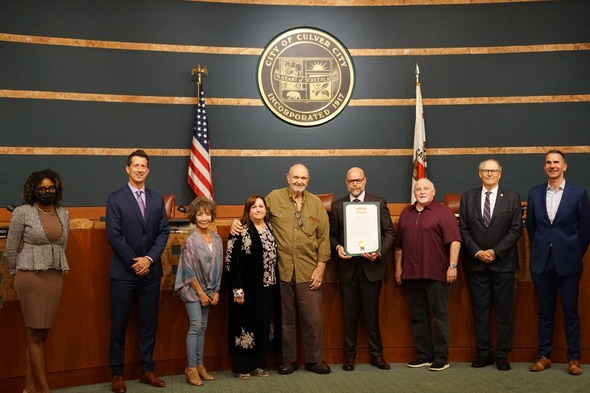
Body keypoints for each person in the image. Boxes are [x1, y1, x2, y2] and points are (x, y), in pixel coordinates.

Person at [230, 163, 331, 375]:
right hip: (281, 270)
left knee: (312, 319)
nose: (299, 181)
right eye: (296, 177)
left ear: (308, 179)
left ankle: (314, 360)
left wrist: (321, 266)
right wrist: (235, 223)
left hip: (308, 270)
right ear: (288, 177)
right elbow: (254, 213)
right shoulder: (273, 198)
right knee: (285, 319)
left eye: (303, 178)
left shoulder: (316, 204)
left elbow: (323, 237)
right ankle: (288, 361)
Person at [106, 149, 170, 393]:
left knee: (148, 324)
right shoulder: (115, 199)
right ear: (127, 168)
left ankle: (147, 370)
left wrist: (149, 259)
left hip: (151, 273)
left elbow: (163, 232)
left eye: (144, 166)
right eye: (136, 165)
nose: (140, 169)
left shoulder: (156, 199)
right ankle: (117, 374)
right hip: (124, 272)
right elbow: (113, 234)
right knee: (119, 325)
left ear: (148, 170)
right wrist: (136, 261)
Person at [526, 150, 590, 376]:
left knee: (571, 312)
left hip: (569, 263)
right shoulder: (534, 193)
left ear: (565, 166)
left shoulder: (579, 193)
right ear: (545, 167)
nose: (552, 166)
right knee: (545, 312)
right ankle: (544, 356)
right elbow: (531, 228)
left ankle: (574, 358)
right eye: (548, 163)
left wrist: (572, 252)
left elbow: (585, 231)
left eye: (556, 162)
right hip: (542, 263)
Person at [5, 169, 69, 393]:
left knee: (42, 334)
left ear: (57, 189)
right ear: (33, 190)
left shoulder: (63, 213)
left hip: (54, 277)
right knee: (34, 334)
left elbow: (61, 245)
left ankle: (29, 389)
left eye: (50, 188)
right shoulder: (23, 212)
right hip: (30, 277)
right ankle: (44, 389)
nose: (47, 192)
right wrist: (16, 275)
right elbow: (11, 249)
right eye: (41, 189)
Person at [329, 167, 395, 371]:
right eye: (351, 181)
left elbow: (389, 233)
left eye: (358, 181)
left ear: (365, 181)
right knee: (349, 316)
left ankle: (377, 355)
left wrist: (379, 251)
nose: (355, 184)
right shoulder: (338, 206)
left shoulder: (379, 202)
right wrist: (338, 247)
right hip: (347, 270)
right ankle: (349, 356)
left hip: (372, 268)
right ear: (346, 182)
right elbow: (332, 235)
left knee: (371, 315)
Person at [459, 159, 522, 371]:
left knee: (504, 311)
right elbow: (464, 229)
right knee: (480, 310)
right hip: (476, 263)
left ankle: (503, 354)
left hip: (503, 263)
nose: (489, 174)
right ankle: (484, 353)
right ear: (479, 173)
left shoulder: (512, 197)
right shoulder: (467, 197)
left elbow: (515, 230)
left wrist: (495, 252)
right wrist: (477, 252)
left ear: (500, 174)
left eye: (493, 171)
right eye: (485, 170)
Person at [394, 178, 461, 372]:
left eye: (426, 188)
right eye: (418, 189)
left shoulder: (444, 212)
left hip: (437, 273)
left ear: (433, 191)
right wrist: (398, 268)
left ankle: (441, 357)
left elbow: (455, 241)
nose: (422, 191)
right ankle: (424, 355)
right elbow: (398, 245)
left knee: (440, 316)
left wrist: (453, 266)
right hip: (411, 274)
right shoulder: (406, 213)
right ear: (414, 192)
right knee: (417, 316)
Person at [225, 194, 280, 380]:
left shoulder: (270, 228)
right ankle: (242, 367)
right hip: (246, 290)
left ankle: (258, 365)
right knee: (245, 325)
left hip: (268, 286)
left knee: (262, 325)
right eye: (254, 207)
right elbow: (232, 261)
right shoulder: (240, 229)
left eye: (261, 206)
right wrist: (237, 289)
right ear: (248, 210)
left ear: (266, 209)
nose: (258, 209)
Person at [175, 197, 222, 385]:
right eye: (200, 214)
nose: (204, 218)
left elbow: (218, 266)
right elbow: (188, 269)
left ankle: (200, 365)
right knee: (195, 326)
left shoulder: (217, 239)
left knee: (203, 327)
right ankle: (191, 368)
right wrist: (201, 293)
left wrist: (216, 290)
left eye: (208, 213)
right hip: (192, 290)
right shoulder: (191, 240)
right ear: (194, 216)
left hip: (210, 290)